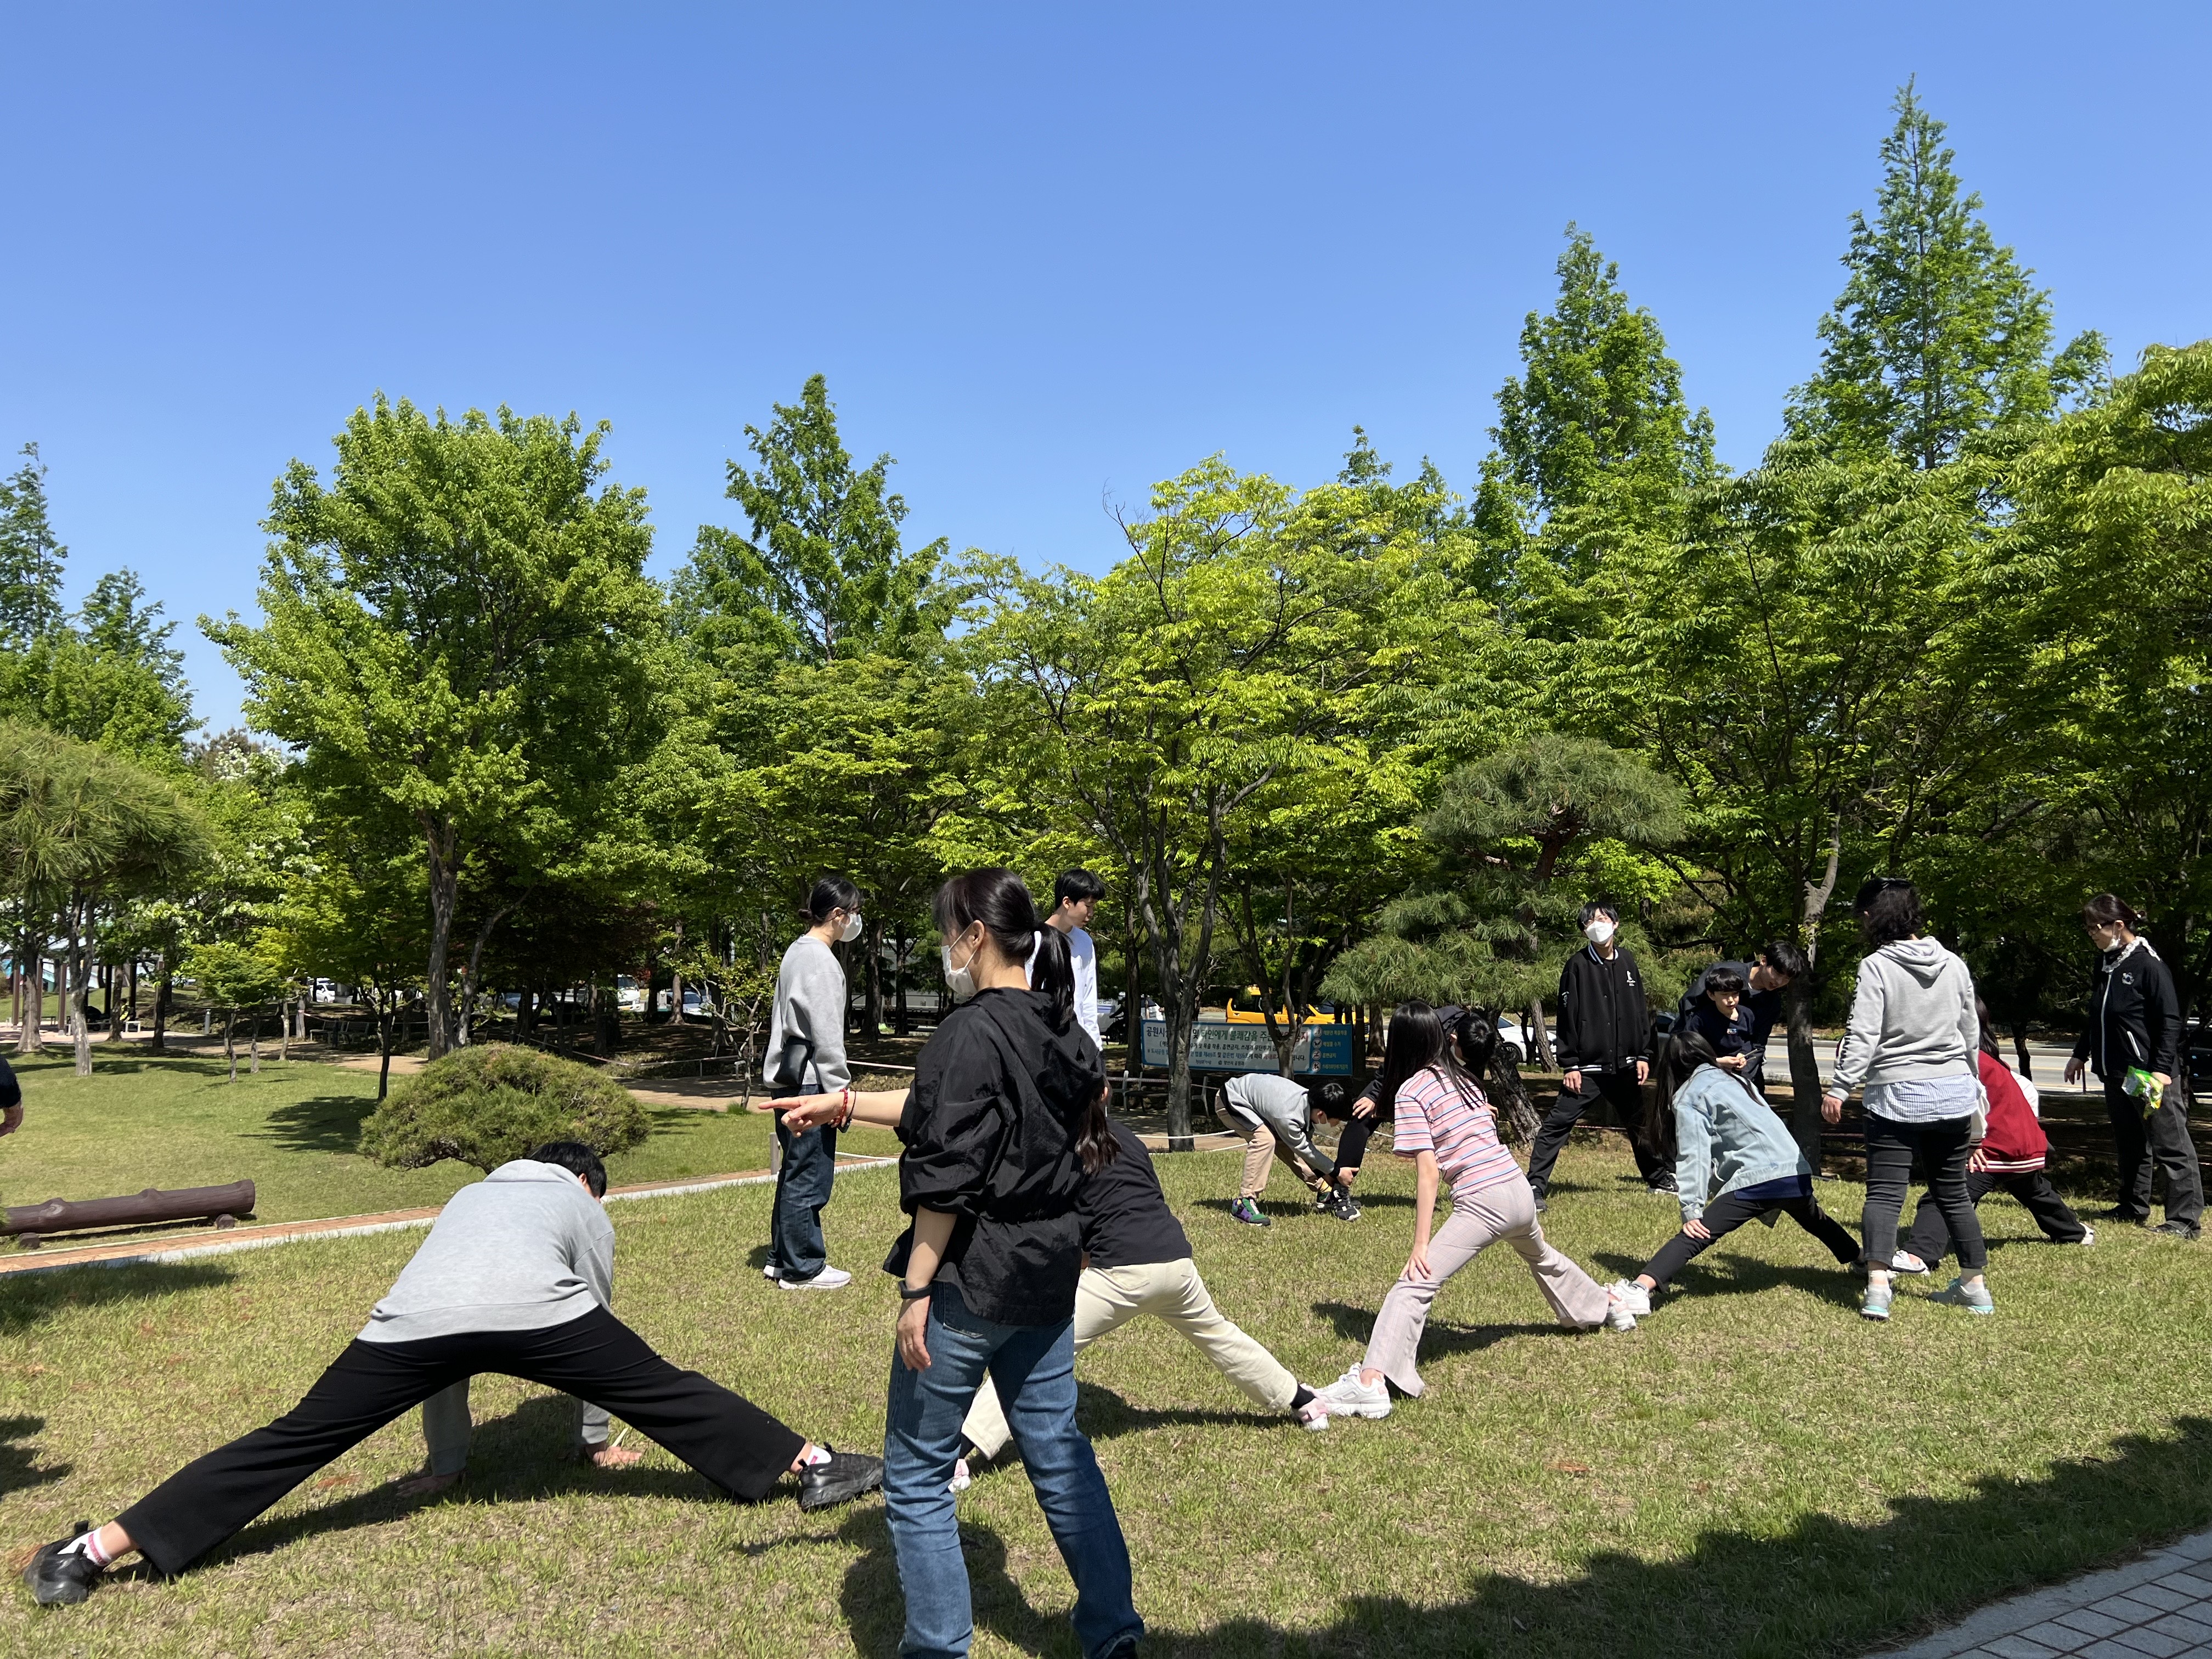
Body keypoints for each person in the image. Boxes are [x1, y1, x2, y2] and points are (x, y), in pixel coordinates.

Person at [19, 1142, 884, 1607]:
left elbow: (448, 1348)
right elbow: (613, 1348)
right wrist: (590, 1444)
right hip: (541, 1315)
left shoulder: (468, 1198)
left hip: (412, 1327)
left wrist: (446, 1466)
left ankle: (88, 1554)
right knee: (665, 1385)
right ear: (590, 1183)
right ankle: (814, 1465)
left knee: (291, 1440)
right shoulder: (578, 1203)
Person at [775, 868, 1143, 1659]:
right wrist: (838, 1104)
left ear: (976, 935)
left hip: (970, 1282)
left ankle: (939, 1647)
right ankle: (1114, 1632)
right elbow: (951, 1112)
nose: (946, 948)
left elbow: (947, 1174)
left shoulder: (967, 1033)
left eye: (948, 933)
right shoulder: (1063, 1029)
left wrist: (916, 1290)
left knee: (914, 1479)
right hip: (1047, 1280)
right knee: (1060, 1451)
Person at [953, 1112, 1334, 1485]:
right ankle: (1301, 1400)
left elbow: (1066, 1227)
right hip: (1176, 1262)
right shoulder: (1128, 1138)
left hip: (1122, 1272)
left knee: (1037, 1353)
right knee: (1221, 1337)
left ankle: (955, 1452)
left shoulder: (1059, 1148)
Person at [1318, 1005, 1634, 1421]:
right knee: (1542, 1257)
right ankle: (1608, 1304)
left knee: (1413, 1285)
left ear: (1397, 1044)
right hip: (1518, 1189)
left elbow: (1429, 1174)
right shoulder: (1463, 1078)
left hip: (1484, 1200)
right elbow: (1481, 1119)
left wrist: (1421, 1244)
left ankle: (1371, 1383)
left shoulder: (1412, 1091)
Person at [1820, 877, 1991, 1321]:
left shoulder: (1876, 966)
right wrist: (1972, 1083)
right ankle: (1975, 1286)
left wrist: (1841, 1087)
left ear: (1868, 918)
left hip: (1895, 1094)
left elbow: (1863, 1034)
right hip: (1953, 1092)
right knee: (1953, 1193)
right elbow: (1970, 1031)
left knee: (1884, 1194)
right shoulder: (1954, 963)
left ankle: (1878, 1289)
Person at [1607, 1027, 1860, 1320]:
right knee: (1816, 1220)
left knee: (1697, 1233)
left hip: (1760, 1179)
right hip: (1796, 1170)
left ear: (1671, 1066)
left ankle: (1640, 1290)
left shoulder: (1689, 1096)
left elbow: (1694, 1155)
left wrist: (1691, 1208)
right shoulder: (1737, 1080)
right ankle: (1863, 1260)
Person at [1894, 998, 2091, 1273]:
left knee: (1944, 1195)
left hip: (1998, 1146)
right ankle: (2074, 1232)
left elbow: (1969, 1107)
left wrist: (1972, 1145)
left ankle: (1919, 1257)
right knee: (2034, 1190)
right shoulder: (1984, 1058)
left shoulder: (1961, 1059)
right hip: (2026, 1143)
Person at [2063, 894, 2201, 1240]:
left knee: (2171, 1145)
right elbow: (2098, 1015)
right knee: (2130, 1144)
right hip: (2116, 1072)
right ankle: (2132, 1205)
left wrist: (2161, 1068)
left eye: (2095, 927)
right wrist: (2081, 1052)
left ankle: (2184, 1220)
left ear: (2118, 926)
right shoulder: (2107, 964)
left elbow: (2171, 1021)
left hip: (2150, 1075)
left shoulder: (2149, 966)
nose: (2091, 934)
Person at [1527, 901, 1663, 1208]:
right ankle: (1534, 1187)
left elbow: (1641, 1012)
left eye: (1602, 919)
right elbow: (1567, 1016)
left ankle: (1660, 1178)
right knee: (1557, 1125)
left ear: (1615, 925)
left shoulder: (1628, 961)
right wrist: (1570, 1064)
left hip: (1626, 1066)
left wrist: (1644, 1055)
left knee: (1639, 1123)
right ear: (1584, 930)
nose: (1597, 925)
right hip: (1586, 1067)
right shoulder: (1576, 965)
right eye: (1590, 922)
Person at [763, 875, 863, 1290]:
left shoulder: (796, 951)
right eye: (854, 913)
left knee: (793, 1170)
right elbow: (827, 1035)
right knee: (809, 1175)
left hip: (789, 1078)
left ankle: (780, 1258)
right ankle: (803, 1268)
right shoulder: (821, 960)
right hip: (810, 1083)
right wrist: (841, 1092)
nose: (857, 922)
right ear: (837, 915)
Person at [1214, 1070, 1358, 1223]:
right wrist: (1336, 1171)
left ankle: (1325, 1192)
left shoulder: (1309, 1105)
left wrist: (1327, 1175)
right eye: (1336, 1122)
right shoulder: (1288, 1116)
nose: (1336, 1127)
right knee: (1264, 1140)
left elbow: (1305, 1150)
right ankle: (1244, 1203)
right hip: (1231, 1099)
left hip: (1257, 1105)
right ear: (1321, 1115)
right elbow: (1303, 1148)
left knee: (1286, 1144)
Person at [1678, 941, 1809, 1091]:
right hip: (1698, 1061)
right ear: (1764, 961)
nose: (1779, 982)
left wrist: (1743, 1072)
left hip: (1738, 1071)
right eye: (1778, 973)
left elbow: (1758, 1045)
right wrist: (1707, 1061)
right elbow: (1688, 1009)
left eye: (1786, 979)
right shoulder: (1722, 973)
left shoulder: (1772, 1003)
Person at [1048, 869, 1107, 1052]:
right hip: (1044, 1045)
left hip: (1078, 1048)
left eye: (1094, 906)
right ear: (1067, 902)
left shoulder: (1084, 942)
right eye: (1088, 905)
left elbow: (1088, 1000)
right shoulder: (1034, 941)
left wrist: (1096, 1053)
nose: (1091, 913)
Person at [1684, 968, 1758, 1075]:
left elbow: (1750, 1041)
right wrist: (1717, 1061)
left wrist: (1743, 1055)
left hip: (1739, 1075)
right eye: (1725, 995)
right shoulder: (1701, 1019)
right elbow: (1689, 1051)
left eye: (1735, 994)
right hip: (1708, 1073)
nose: (1731, 1000)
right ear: (1711, 995)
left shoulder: (1747, 1014)